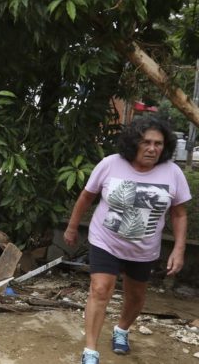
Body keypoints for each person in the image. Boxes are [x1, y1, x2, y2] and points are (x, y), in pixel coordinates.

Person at [64, 116, 189, 364]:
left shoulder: (172, 172)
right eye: (146, 142)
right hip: (105, 241)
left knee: (136, 296)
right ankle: (90, 351)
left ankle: (121, 329)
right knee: (100, 290)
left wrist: (179, 248)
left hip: (144, 249)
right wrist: (71, 227)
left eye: (158, 143)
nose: (153, 148)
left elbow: (179, 213)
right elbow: (86, 197)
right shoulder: (111, 164)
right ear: (134, 143)